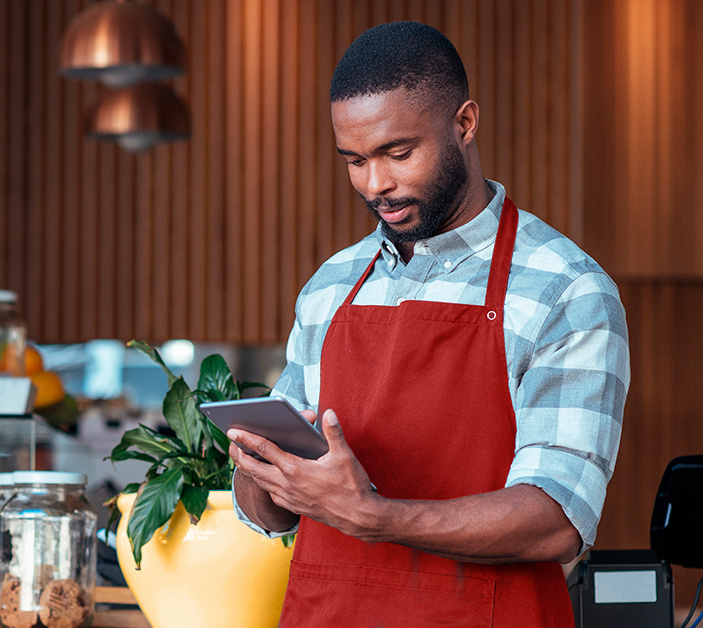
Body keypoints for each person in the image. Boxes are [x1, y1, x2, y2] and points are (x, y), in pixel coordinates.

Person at [228, 21, 630, 627]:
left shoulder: (565, 289)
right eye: (355, 161)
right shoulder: (333, 285)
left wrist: (373, 515)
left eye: (398, 153)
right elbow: (273, 515)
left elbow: (555, 519)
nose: (375, 184)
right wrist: (259, 469)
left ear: (464, 124)